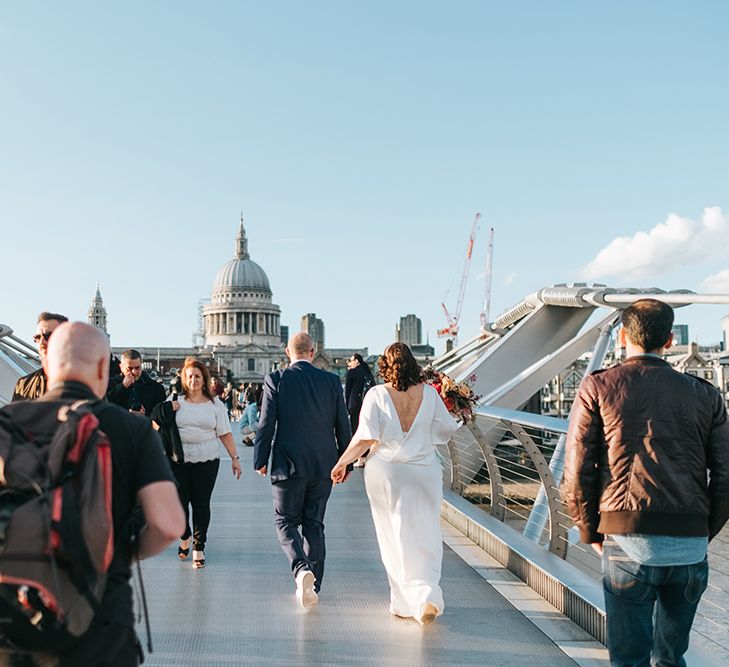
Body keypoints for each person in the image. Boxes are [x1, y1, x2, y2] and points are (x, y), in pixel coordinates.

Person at [1, 322, 184, 666]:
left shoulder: (5, 422)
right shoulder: (132, 428)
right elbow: (169, 524)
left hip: (14, 614)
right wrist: (120, 551)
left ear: (49, 364)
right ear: (104, 368)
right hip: (100, 615)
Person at [562, 299, 729, 667]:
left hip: (625, 541)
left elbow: (576, 472)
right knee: (671, 658)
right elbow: (725, 477)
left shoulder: (599, 386)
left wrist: (590, 533)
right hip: (689, 546)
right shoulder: (706, 394)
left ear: (622, 336)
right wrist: (701, 532)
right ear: (669, 340)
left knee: (629, 661)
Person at [331, 342, 459, 626]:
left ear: (385, 367)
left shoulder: (377, 394)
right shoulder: (429, 393)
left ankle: (405, 602)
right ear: (414, 364)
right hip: (425, 471)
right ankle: (426, 594)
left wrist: (343, 462)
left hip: (387, 472)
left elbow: (365, 437)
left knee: (394, 535)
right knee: (426, 532)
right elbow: (447, 429)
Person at [254, 332, 351, 609]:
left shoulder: (277, 379)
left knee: (284, 521)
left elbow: (266, 424)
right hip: (324, 464)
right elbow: (342, 425)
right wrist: (346, 462)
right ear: (313, 351)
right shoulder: (332, 381)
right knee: (314, 524)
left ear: (287, 352)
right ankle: (314, 585)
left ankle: (301, 570)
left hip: (288, 464)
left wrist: (260, 459)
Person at [153, 357, 241, 569]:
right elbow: (155, 424)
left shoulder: (215, 404)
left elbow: (225, 433)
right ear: (184, 379)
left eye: (197, 376)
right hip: (178, 460)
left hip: (207, 460)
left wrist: (235, 459)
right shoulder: (175, 400)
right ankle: (184, 535)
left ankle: (198, 547)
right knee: (179, 503)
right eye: (190, 376)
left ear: (204, 380)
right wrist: (166, 411)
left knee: (201, 504)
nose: (193, 380)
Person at [12, 311, 68, 401]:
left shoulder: (86, 381)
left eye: (48, 335)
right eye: (37, 337)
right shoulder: (24, 385)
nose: (42, 342)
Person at [106, 349, 166, 417]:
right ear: (121, 367)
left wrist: (145, 415)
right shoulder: (109, 384)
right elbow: (102, 407)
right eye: (130, 368)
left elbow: (161, 416)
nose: (134, 372)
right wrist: (122, 387)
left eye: (137, 368)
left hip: (145, 426)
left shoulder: (156, 388)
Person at [344, 353, 375, 467]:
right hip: (367, 405)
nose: (350, 363)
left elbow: (348, 391)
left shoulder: (352, 372)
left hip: (355, 405)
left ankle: (360, 457)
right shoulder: (367, 372)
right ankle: (365, 456)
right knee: (366, 430)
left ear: (356, 361)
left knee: (356, 430)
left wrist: (347, 406)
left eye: (351, 360)